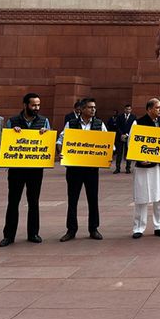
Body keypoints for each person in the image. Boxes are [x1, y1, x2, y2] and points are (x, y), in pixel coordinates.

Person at [0, 93, 51, 247]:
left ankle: (33, 233)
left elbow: (47, 143)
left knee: (33, 202)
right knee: (13, 202)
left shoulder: (44, 121)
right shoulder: (12, 121)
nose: (36, 108)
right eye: (33, 105)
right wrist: (11, 134)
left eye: (38, 105)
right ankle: (8, 235)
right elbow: (5, 142)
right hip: (17, 169)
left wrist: (45, 134)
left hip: (35, 169)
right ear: (25, 105)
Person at [58, 98, 108, 242]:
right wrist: (61, 150)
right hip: (74, 169)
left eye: (94, 107)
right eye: (90, 107)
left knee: (93, 199)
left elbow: (107, 143)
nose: (93, 110)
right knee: (72, 200)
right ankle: (71, 230)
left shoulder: (99, 124)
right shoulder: (71, 123)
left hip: (92, 169)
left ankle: (94, 228)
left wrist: (108, 152)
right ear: (82, 109)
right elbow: (61, 140)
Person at [130, 98, 160, 239]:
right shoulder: (138, 122)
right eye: (157, 107)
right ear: (149, 109)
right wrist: (140, 158)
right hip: (144, 166)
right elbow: (132, 142)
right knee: (142, 196)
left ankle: (159, 226)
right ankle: (138, 228)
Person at [114, 104, 135, 174]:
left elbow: (134, 127)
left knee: (128, 153)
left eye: (129, 109)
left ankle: (128, 168)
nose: (128, 110)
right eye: (127, 109)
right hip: (120, 137)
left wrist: (127, 135)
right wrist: (122, 134)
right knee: (119, 153)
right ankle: (117, 168)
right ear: (124, 109)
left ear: (131, 110)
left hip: (129, 137)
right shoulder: (120, 117)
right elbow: (117, 126)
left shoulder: (133, 117)